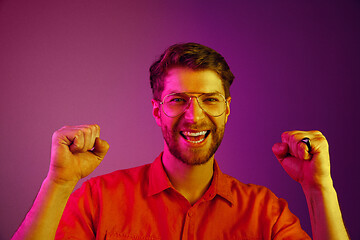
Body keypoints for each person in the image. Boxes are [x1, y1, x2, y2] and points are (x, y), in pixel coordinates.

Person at [12, 43, 349, 239]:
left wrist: (319, 188)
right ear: (157, 110)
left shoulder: (266, 214)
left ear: (227, 109)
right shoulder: (98, 201)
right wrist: (59, 182)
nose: (194, 116)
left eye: (210, 99)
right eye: (178, 100)